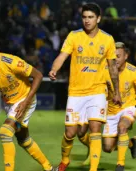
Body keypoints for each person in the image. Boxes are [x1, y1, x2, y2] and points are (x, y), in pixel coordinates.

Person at [48, 3, 121, 171]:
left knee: (95, 128)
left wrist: (116, 92)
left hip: (97, 91)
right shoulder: (74, 36)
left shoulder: (107, 39)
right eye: (84, 17)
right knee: (71, 133)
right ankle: (65, 160)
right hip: (76, 92)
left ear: (98, 18)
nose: (87, 21)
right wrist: (54, 69)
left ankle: (93, 169)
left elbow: (112, 68)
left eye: (91, 17)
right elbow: (62, 56)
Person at [0, 36, 54, 171]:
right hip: (9, 104)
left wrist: (25, 102)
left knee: (5, 132)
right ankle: (49, 168)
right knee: (23, 139)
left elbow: (38, 75)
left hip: (25, 99)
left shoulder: (12, 62)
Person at [102, 42, 136, 171]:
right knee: (107, 148)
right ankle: (131, 142)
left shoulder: (133, 72)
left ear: (126, 56)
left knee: (122, 127)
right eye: (113, 56)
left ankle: (120, 165)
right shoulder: (105, 71)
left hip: (129, 107)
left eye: (119, 56)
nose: (115, 59)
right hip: (111, 112)